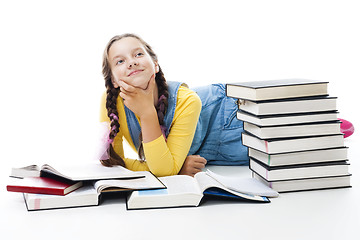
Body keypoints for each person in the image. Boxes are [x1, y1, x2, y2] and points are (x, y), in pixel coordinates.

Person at [99, 33, 248, 177]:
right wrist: (174, 167)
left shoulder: (188, 100)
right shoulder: (110, 102)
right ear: (113, 80)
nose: (132, 62)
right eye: (120, 61)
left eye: (138, 54)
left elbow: (163, 170)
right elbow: (111, 162)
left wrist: (146, 112)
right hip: (211, 158)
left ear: (155, 64)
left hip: (232, 119)